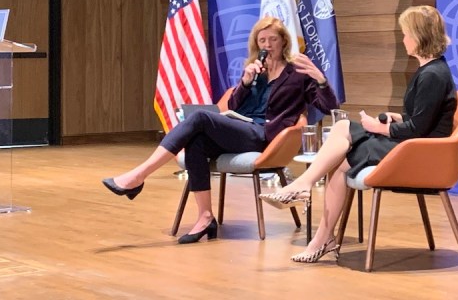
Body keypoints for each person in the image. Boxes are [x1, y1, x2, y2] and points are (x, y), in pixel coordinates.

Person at [102, 16, 339, 244]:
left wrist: (320, 79)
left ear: (283, 41)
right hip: (241, 128)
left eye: (273, 40)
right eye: (262, 40)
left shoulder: (297, 74)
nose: (267, 45)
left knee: (202, 118)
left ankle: (139, 175)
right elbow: (234, 106)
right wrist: (245, 83)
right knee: (196, 140)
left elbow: (329, 106)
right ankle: (205, 217)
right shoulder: (254, 70)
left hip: (265, 137)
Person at [260, 5, 457, 263]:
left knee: (343, 136)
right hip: (413, 146)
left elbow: (418, 131)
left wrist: (381, 128)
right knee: (341, 148)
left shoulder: (433, 74)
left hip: (420, 155)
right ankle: (320, 233)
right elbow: (422, 120)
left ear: (420, 37)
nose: (403, 39)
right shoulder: (430, 70)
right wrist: (397, 118)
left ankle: (305, 191)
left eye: (406, 33)